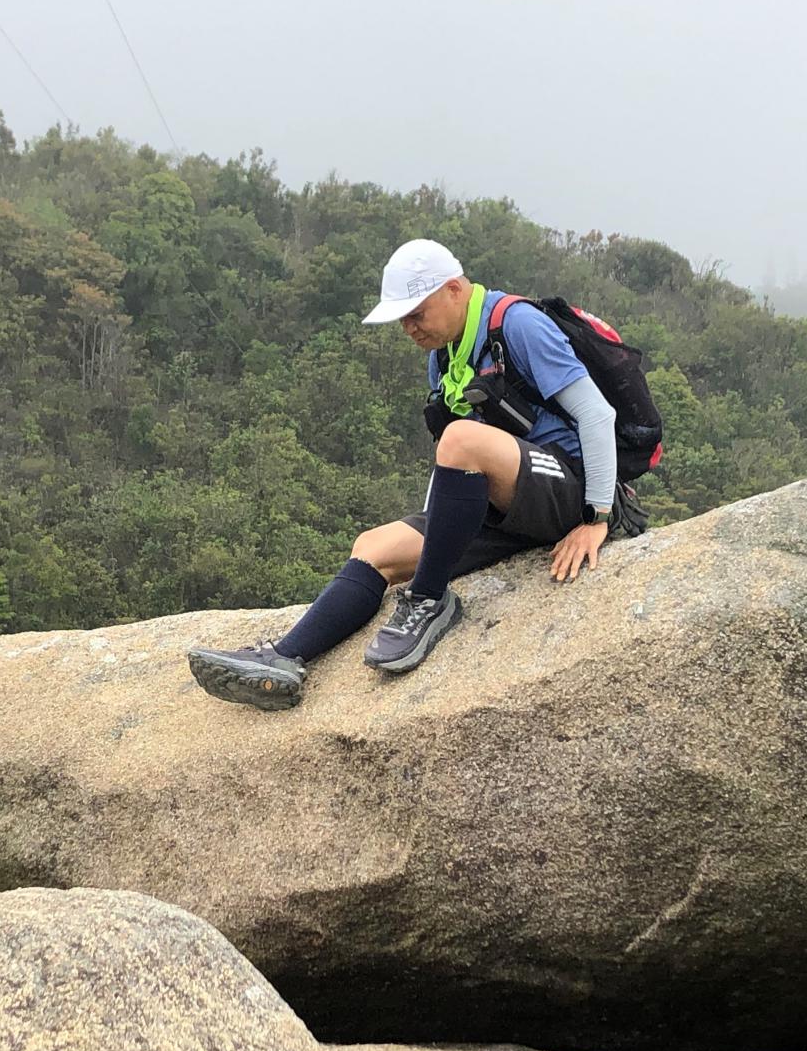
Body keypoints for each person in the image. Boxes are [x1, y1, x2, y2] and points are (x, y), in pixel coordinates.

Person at [187, 238, 634, 711]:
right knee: (374, 547)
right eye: (402, 318)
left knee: (460, 438)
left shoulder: (516, 324)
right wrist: (433, 539)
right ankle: (284, 659)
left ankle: (428, 600)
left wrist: (597, 518)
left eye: (416, 313)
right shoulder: (443, 355)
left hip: (570, 487)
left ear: (454, 290)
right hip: (505, 503)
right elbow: (451, 467)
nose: (409, 327)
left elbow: (596, 414)